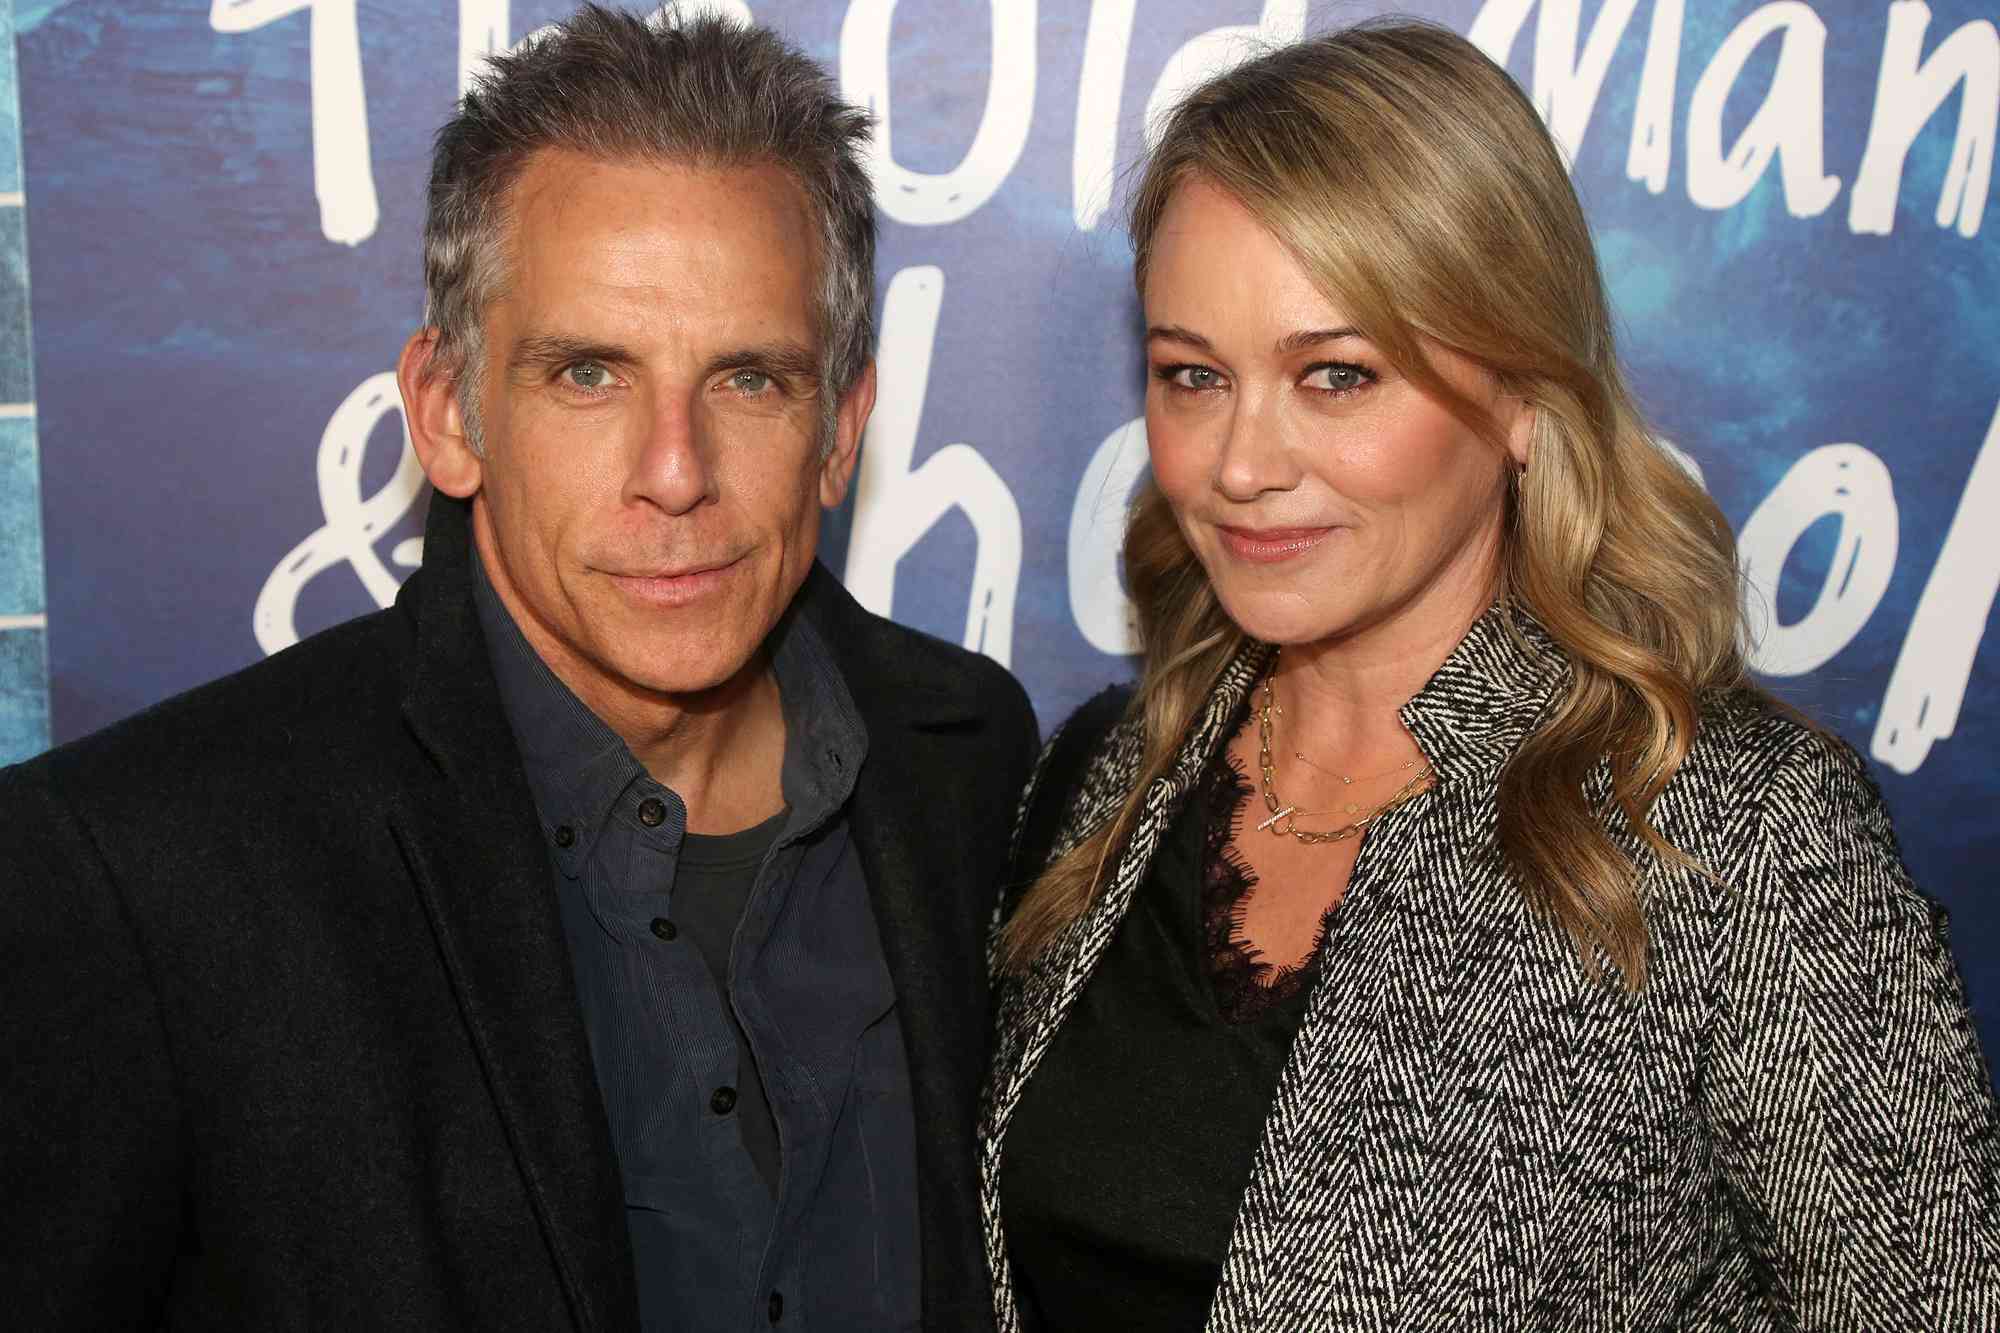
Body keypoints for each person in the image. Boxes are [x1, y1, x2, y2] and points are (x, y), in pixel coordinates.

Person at [0, 8, 1035, 1330]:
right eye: (590, 372)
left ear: (840, 428)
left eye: (751, 380)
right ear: (448, 412)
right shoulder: (149, 875)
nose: (676, 472)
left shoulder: (969, 761)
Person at [981, 21, 1999, 1332]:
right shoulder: (1106, 775)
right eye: (1193, 376)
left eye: (1335, 375)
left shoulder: (1742, 838)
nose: (1240, 462)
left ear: (1524, 391)